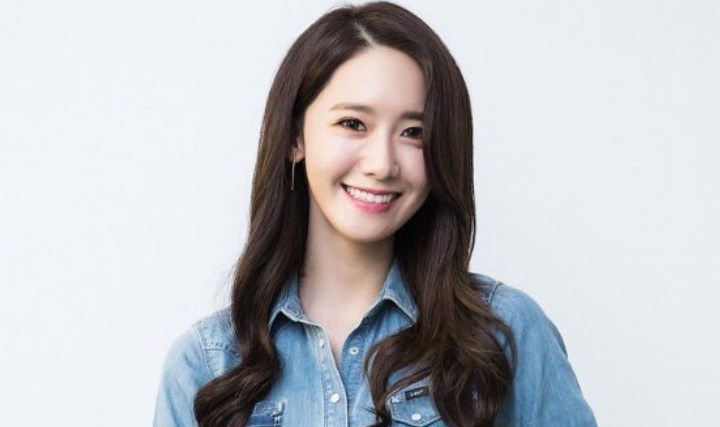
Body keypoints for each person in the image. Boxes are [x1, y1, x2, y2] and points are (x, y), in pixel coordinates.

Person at [154, 2, 597, 426]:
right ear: (294, 137)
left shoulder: (506, 334)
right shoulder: (206, 364)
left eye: (414, 132)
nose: (382, 164)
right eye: (353, 124)